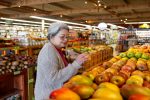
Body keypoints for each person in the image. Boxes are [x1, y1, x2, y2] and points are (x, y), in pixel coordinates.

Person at [34, 22, 88, 100]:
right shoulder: (49, 51)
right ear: (52, 36)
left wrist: (69, 59)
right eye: (62, 37)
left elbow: (57, 65)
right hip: (48, 95)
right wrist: (76, 64)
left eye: (67, 37)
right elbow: (54, 79)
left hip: (56, 93)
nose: (66, 40)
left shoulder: (55, 48)